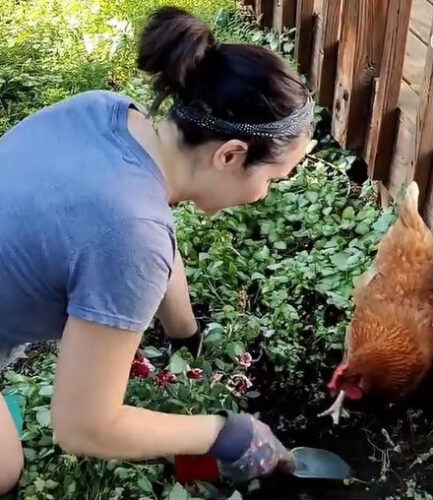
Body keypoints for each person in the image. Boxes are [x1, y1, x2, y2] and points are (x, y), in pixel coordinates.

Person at [0, 6, 314, 495]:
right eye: (272, 179)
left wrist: (184, 337)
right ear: (230, 155)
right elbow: (82, 427)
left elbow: (150, 237)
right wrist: (227, 434)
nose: (264, 196)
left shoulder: (106, 112)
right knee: (3, 474)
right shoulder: (130, 232)